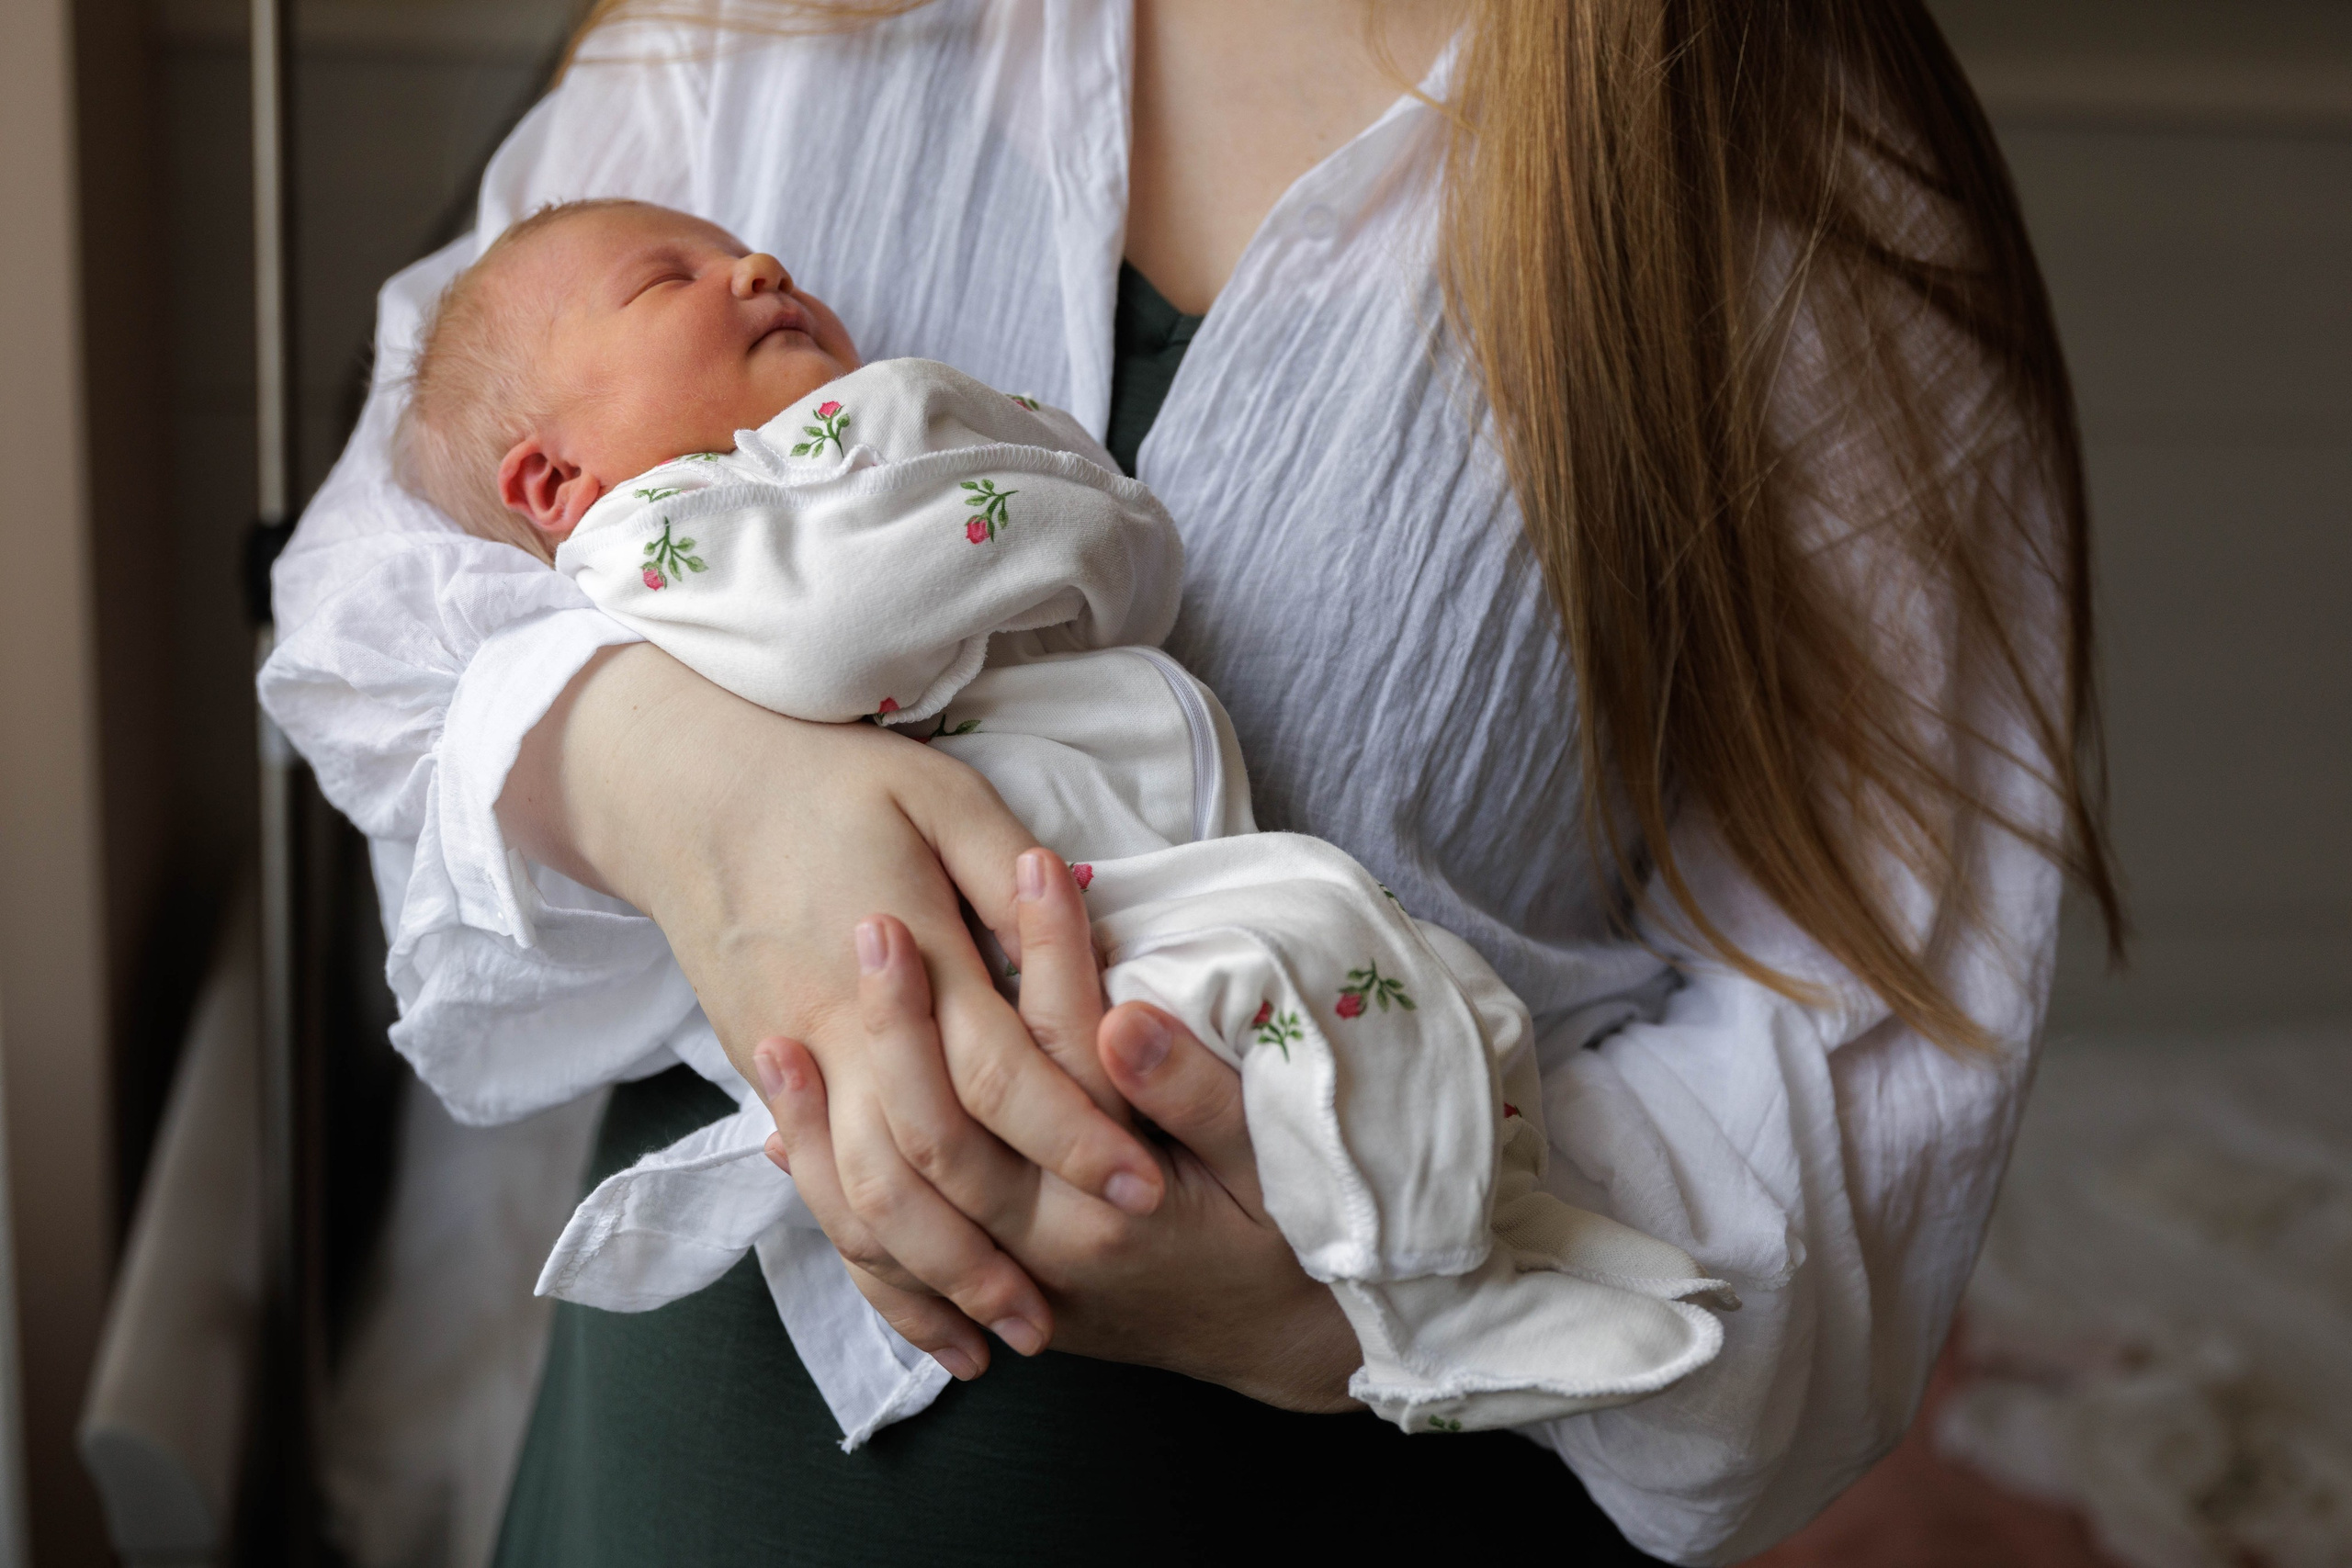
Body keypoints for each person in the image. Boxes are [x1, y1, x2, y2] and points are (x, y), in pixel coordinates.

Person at [257, 1, 2121, 1562]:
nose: (747, 281)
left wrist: (1336, 1314)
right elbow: (371, 597)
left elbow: (1874, 1061)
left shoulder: (1764, 165)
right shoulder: (759, 33)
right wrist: (674, 780)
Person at [389, 192, 1735, 1438]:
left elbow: (1119, 564)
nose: (758, 266)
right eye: (666, 280)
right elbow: (853, 629)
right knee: (1313, 966)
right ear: (553, 486)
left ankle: (1506, 1230)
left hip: (1137, 869)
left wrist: (971, 482)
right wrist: (917, 423)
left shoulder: (818, 487)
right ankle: (1423, 1302)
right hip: (1042, 945)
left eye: (740, 253)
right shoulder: (663, 545)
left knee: (1445, 992)